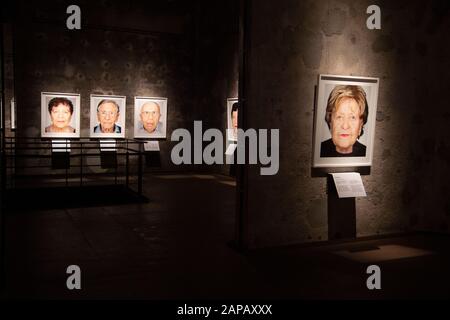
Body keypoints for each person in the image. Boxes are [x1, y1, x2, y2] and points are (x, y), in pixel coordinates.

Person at [320, 85, 368, 157]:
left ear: (361, 124)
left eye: (352, 117)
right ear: (330, 121)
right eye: (339, 117)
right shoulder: (318, 151)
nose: (345, 126)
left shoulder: (368, 154)